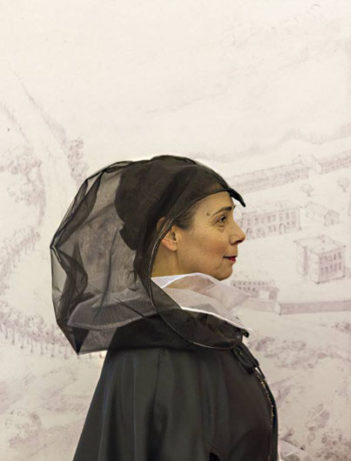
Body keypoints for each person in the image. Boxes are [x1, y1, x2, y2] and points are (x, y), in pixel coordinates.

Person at [50, 155, 278, 461]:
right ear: (170, 234)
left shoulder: (195, 330)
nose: (239, 234)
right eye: (221, 220)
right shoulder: (161, 355)